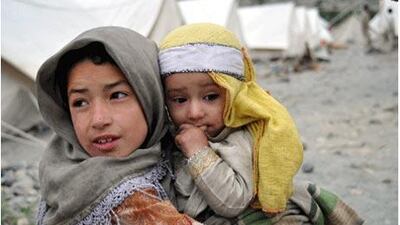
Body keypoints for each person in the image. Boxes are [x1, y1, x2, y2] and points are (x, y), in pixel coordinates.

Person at [158, 23, 364, 225]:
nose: (194, 113)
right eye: (179, 100)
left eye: (211, 97)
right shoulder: (168, 134)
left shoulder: (241, 138)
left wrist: (199, 151)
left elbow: (232, 202)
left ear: (235, 94)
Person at [35, 26, 201, 225]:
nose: (98, 120)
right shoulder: (129, 202)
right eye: (80, 102)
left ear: (151, 95)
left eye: (117, 95)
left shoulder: (175, 148)